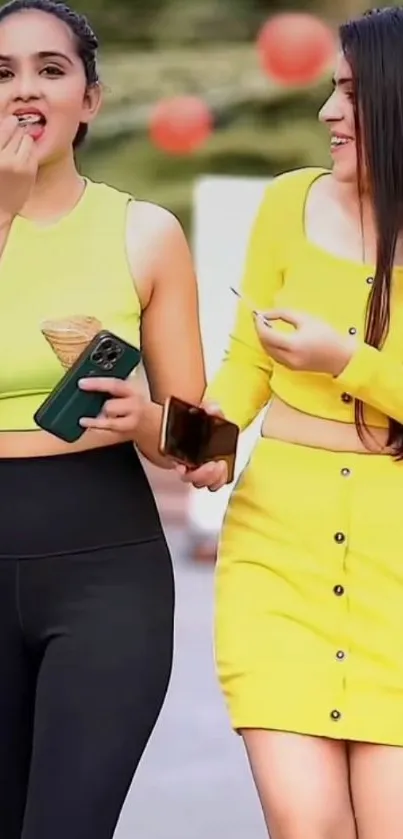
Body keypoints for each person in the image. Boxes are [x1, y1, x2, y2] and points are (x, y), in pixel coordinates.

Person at [178, 6, 403, 838]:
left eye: (349, 92)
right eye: (329, 90)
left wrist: (345, 358)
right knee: (302, 822)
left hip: (396, 570)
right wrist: (210, 434)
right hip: (278, 555)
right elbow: (249, 359)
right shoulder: (285, 203)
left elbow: (323, 356)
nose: (327, 112)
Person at [0, 0, 206, 837]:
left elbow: (210, 450)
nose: (25, 90)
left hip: (104, 573)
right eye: (2, 73)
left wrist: (146, 416)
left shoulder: (143, 232)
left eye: (51, 69)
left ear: (89, 98)